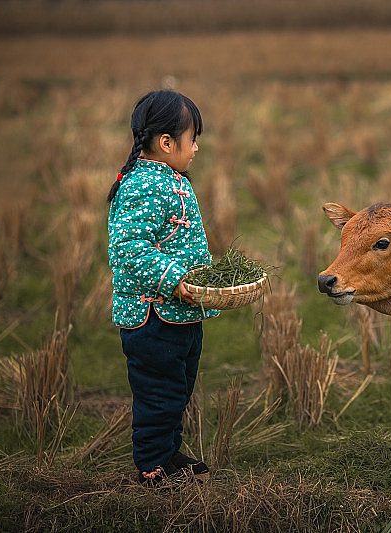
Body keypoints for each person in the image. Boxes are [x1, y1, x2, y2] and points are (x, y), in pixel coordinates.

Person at [107, 90, 218, 485]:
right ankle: (153, 466)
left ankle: (169, 454)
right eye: (193, 139)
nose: (197, 147)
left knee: (178, 388)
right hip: (153, 317)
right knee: (159, 394)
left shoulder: (169, 178)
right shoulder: (143, 185)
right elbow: (127, 248)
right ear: (167, 143)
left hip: (178, 313)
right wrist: (174, 280)